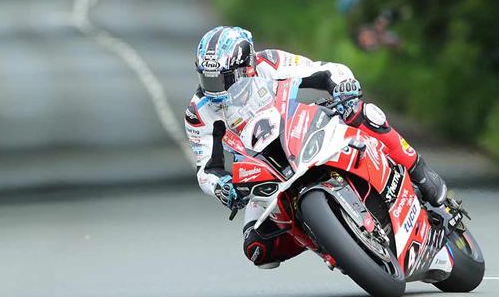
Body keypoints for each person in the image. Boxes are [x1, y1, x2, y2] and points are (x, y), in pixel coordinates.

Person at [183, 26, 447, 269]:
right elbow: (207, 169)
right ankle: (330, 242)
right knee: (257, 250)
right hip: (264, 170)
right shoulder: (199, 112)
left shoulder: (270, 63)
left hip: (301, 132)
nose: (213, 90)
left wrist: (343, 88)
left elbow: (325, 71)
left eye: (221, 80)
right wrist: (222, 188)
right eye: (207, 80)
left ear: (246, 68)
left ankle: (419, 171)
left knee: (360, 113)